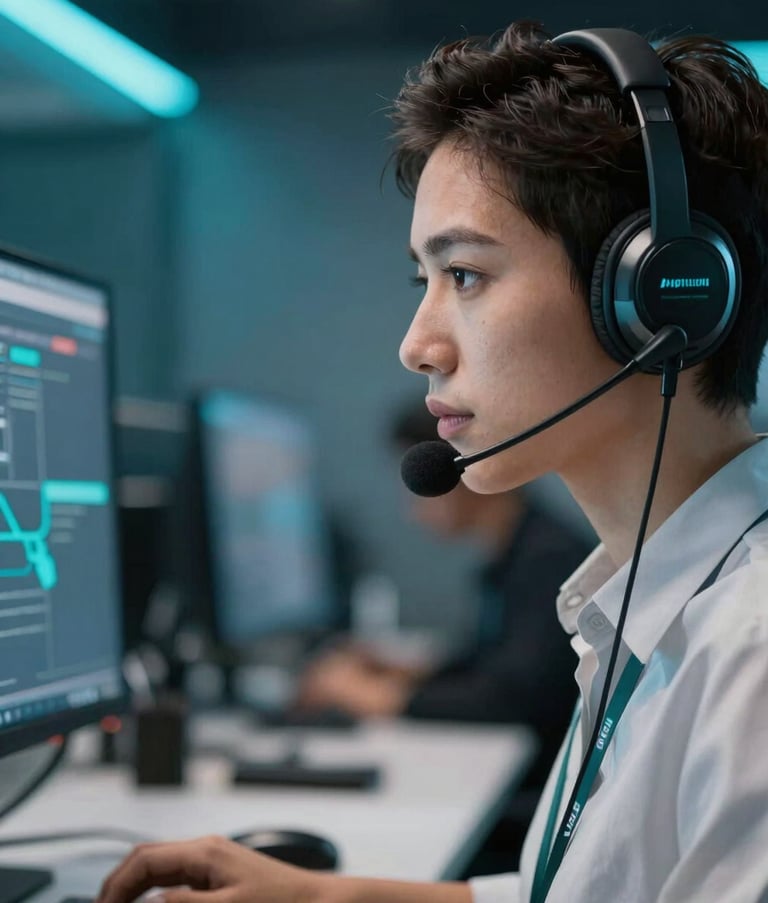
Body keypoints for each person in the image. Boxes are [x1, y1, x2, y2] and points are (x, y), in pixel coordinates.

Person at [96, 21, 768, 903]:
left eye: (467, 275)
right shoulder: (647, 603)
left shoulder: (750, 655)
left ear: (658, 294)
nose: (417, 347)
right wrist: (325, 897)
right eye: (426, 280)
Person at [295, 399, 592, 795]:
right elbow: (497, 664)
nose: (412, 511)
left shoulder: (548, 559)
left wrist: (375, 696)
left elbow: (513, 699)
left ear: (464, 470)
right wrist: (408, 671)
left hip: (534, 796)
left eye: (419, 487)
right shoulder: (520, 550)